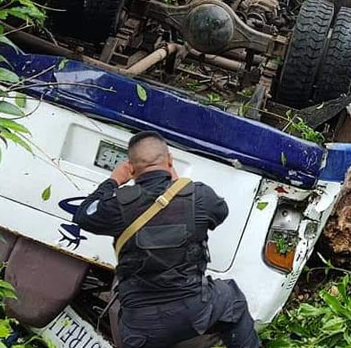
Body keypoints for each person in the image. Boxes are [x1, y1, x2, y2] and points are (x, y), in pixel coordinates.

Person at [73, 131, 261, 348]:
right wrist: (177, 187)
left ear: (131, 169)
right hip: (193, 312)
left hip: (139, 328)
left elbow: (83, 215)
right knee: (233, 299)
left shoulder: (118, 206)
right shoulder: (198, 196)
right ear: (170, 160)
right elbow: (220, 212)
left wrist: (113, 180)